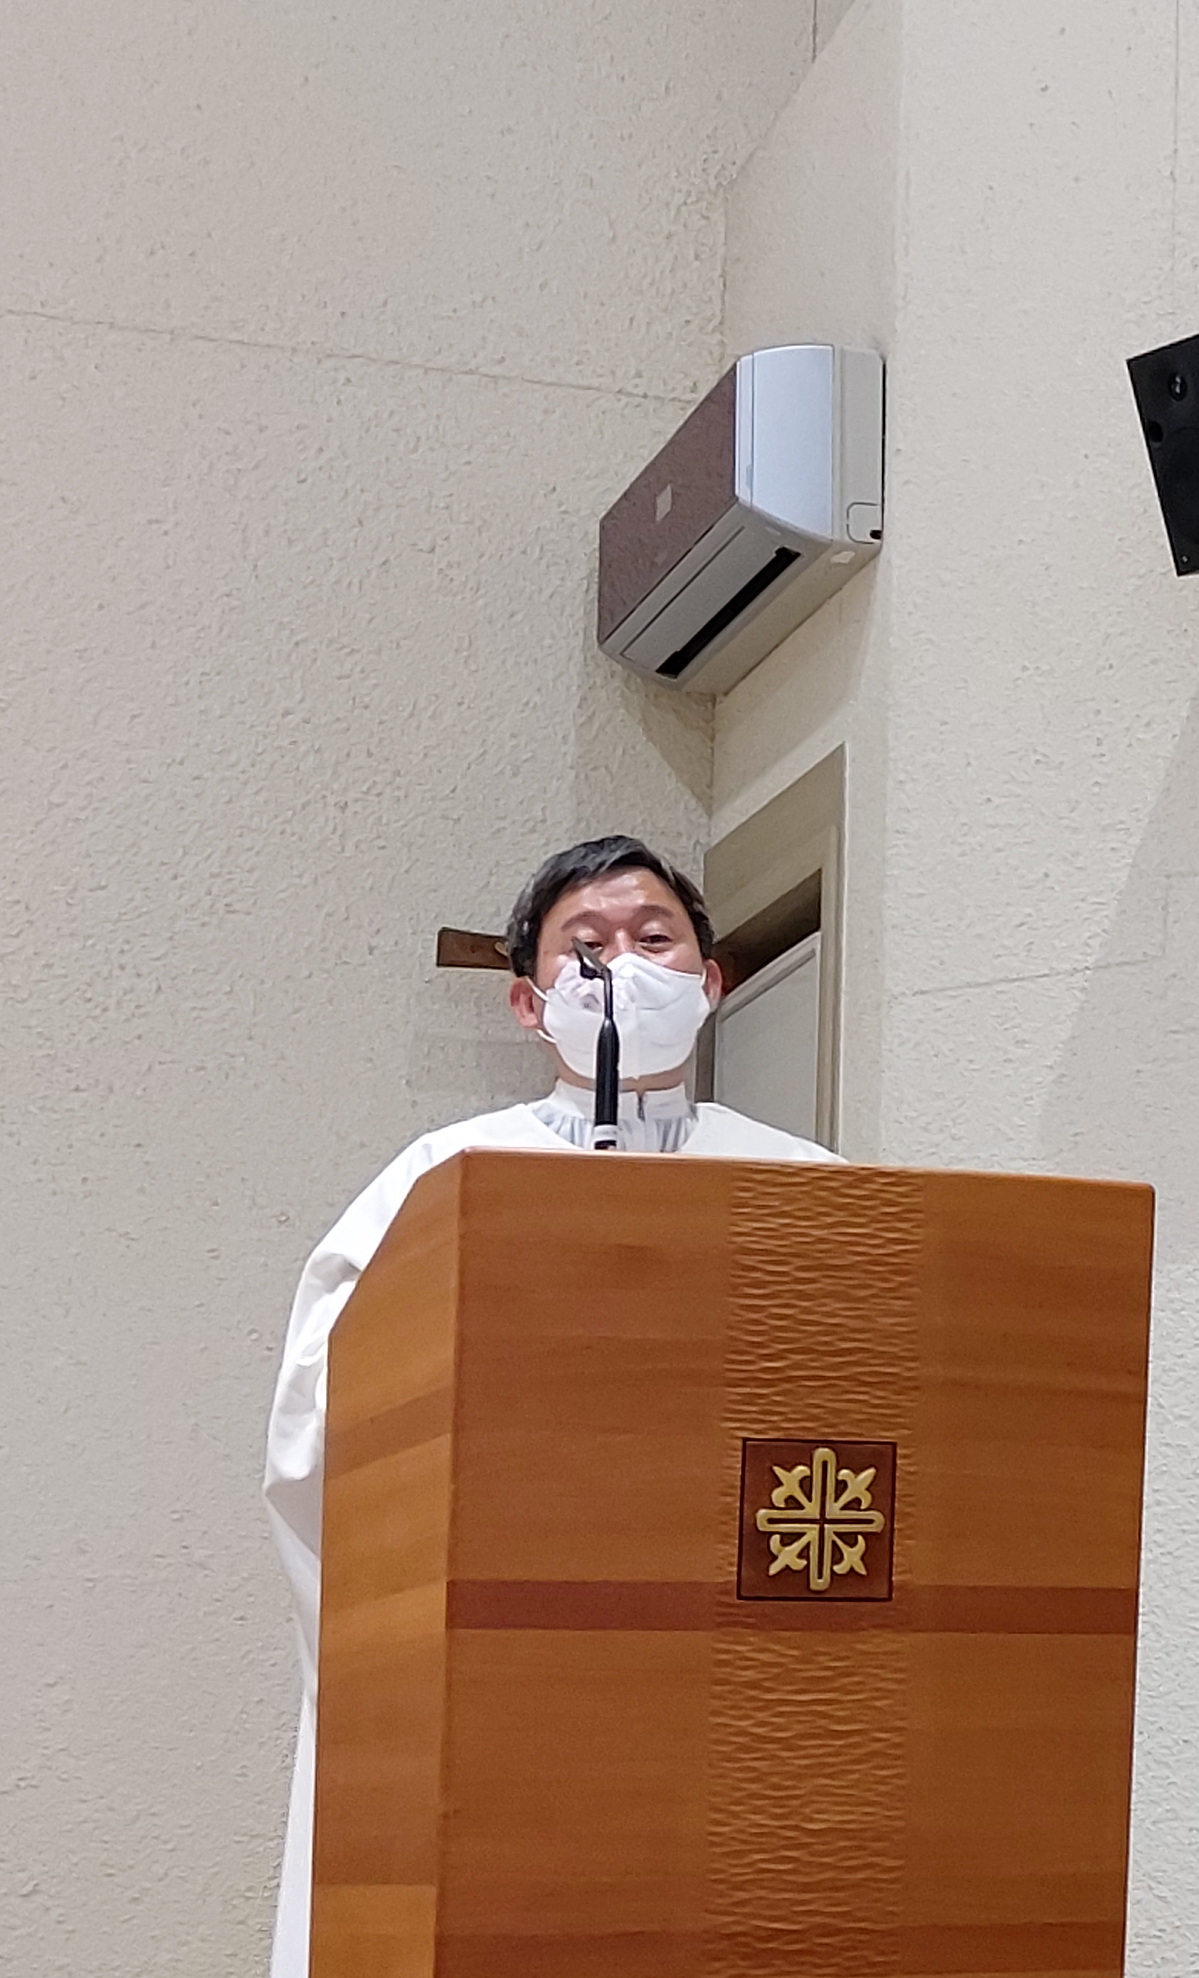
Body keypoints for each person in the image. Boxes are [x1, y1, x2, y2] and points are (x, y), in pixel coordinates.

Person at [261, 835, 835, 1978]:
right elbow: (323, 1426)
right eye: (587, 947)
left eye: (655, 938)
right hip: (503, 1648)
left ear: (711, 981)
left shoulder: (811, 1191)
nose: (624, 966)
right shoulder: (441, 1185)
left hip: (728, 1665)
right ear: (530, 1004)